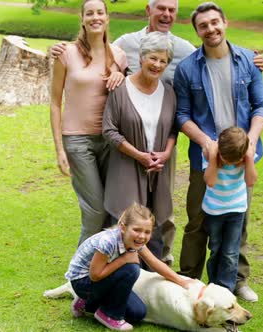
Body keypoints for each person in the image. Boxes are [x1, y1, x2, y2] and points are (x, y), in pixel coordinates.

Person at [52, 0, 263, 266]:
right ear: (148, 11)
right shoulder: (125, 45)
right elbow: (102, 58)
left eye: (172, 10)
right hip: (125, 133)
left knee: (165, 205)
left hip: (164, 133)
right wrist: (64, 49)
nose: (166, 14)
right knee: (118, 206)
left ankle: (160, 259)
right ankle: (102, 266)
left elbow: (220, 76)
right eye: (160, 8)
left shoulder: (185, 51)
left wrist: (252, 58)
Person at [174, 2, 263, 302]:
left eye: (215, 22)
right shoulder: (187, 68)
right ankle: (188, 281)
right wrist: (205, 142)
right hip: (204, 159)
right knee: (197, 222)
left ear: (225, 23)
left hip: (244, 159)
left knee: (237, 220)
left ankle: (237, 281)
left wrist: (251, 140)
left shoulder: (248, 61)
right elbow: (182, 115)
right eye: (203, 25)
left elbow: (262, 107)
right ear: (197, 31)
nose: (211, 29)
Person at [50, 0, 128, 246]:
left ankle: (100, 268)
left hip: (109, 140)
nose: (95, 17)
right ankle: (78, 271)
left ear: (107, 18)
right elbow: (54, 101)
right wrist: (59, 149)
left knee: (109, 209)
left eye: (100, 12)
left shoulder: (119, 56)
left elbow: (127, 97)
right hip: (77, 140)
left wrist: (121, 77)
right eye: (89, 13)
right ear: (82, 19)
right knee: (94, 209)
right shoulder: (66, 53)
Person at [102, 32, 176, 271]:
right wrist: (140, 156)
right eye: (152, 58)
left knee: (154, 231)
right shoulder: (120, 89)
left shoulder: (169, 92)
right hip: (126, 168)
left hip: (158, 170)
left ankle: (153, 282)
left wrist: (165, 153)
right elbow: (109, 130)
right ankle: (123, 281)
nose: (157, 64)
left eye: (163, 61)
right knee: (126, 227)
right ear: (142, 57)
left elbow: (174, 128)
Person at [65, 202, 192, 331]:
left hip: (101, 281)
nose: (142, 236)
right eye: (137, 230)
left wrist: (183, 282)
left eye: (147, 232)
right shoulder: (108, 242)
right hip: (82, 282)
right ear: (123, 227)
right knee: (131, 269)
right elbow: (95, 275)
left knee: (138, 313)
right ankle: (109, 315)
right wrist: (123, 260)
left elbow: (155, 263)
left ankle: (87, 303)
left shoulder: (136, 241)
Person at [202, 127, 257, 293]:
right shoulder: (210, 154)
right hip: (214, 212)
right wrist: (213, 157)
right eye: (226, 159)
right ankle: (214, 286)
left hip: (236, 211)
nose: (229, 164)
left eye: (234, 161)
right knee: (216, 249)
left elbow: (251, 181)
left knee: (231, 252)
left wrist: (249, 159)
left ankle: (226, 289)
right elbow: (210, 182)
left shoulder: (245, 158)